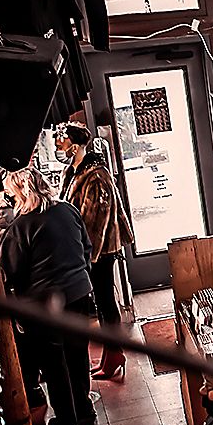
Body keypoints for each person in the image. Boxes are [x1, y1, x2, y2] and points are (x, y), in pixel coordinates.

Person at [0, 166, 97, 425]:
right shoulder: (68, 210)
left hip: (45, 305)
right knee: (77, 355)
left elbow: (12, 272)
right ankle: (84, 411)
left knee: (54, 364)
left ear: (21, 193)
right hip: (79, 292)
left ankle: (66, 422)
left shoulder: (21, 227)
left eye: (11, 194)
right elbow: (86, 248)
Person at [55, 121, 134, 381]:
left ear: (76, 145)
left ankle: (114, 355)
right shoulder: (72, 171)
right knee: (102, 303)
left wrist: (86, 256)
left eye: (62, 141)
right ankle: (111, 356)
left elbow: (96, 222)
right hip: (85, 248)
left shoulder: (97, 176)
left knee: (106, 303)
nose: (58, 145)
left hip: (99, 250)